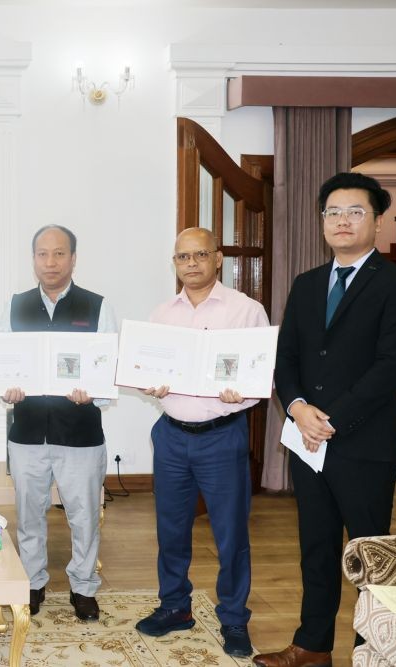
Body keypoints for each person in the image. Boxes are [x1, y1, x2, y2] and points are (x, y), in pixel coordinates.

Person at [254, 173, 396, 667]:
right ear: (322, 222)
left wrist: (332, 418)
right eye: (333, 212)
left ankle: (375, 650)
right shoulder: (307, 284)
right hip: (308, 440)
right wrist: (297, 408)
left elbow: (395, 363)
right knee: (316, 548)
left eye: (354, 211)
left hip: (364, 442)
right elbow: (285, 359)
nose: (342, 220)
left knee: (370, 554)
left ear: (376, 219)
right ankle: (312, 645)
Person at [134, 227, 269, 658]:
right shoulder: (161, 314)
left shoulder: (246, 311)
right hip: (171, 435)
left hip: (220, 437)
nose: (191, 264)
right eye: (182, 257)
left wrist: (241, 393)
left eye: (199, 255)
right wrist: (148, 386)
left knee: (230, 535)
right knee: (171, 530)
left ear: (218, 258)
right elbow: (142, 369)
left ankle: (233, 619)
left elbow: (258, 374)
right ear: (174, 263)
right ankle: (175, 607)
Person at [0, 224, 116, 622]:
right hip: (27, 433)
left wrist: (93, 393)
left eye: (59, 253)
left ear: (73, 258)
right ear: (33, 259)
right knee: (29, 515)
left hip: (80, 435)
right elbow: (0, 364)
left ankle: (83, 587)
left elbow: (109, 369)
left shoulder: (97, 306)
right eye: (42, 254)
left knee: (83, 517)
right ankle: (32, 582)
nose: (50, 262)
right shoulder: (14, 306)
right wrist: (7, 389)